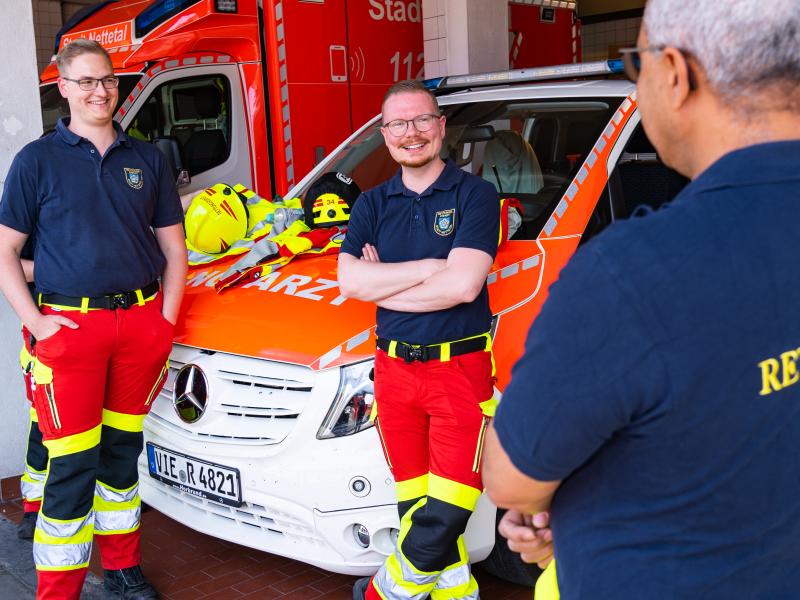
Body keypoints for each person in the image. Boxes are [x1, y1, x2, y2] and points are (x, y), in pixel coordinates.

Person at [482, 0, 800, 598]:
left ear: (676, 74)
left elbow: (513, 479)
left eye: (636, 62)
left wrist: (567, 508)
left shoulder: (632, 271)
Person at [0, 39, 187, 600]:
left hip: (139, 327)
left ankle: (123, 566)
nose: (99, 91)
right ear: (64, 88)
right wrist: (35, 320)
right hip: (69, 330)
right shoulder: (37, 159)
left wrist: (165, 322)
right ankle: (58, 591)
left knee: (121, 454)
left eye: (106, 79)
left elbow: (175, 252)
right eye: (85, 81)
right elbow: (5, 250)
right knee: (73, 466)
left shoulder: (147, 159)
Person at [338, 80, 500, 600]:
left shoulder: (475, 195)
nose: (412, 133)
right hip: (392, 374)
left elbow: (465, 284)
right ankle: (458, 594)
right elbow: (352, 283)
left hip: (460, 372)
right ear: (385, 135)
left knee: (448, 509)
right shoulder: (370, 203)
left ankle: (383, 593)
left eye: (422, 120)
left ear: (441, 126)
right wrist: (431, 269)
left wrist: (388, 284)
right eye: (398, 124)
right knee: (416, 505)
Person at [17, 245, 49, 540]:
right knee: (43, 424)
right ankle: (33, 507)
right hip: (45, 328)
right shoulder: (31, 199)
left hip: (99, 324)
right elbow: (8, 262)